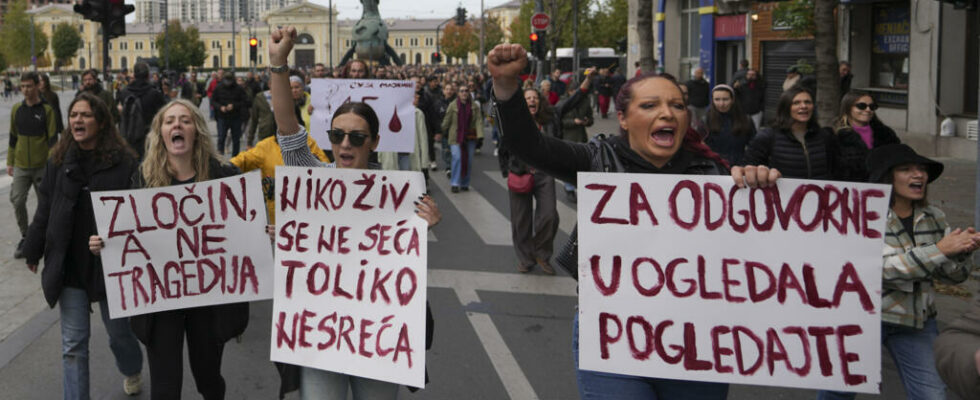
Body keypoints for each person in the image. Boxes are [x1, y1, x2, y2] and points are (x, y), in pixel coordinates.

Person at [487, 42, 779, 400]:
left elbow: (754, 257)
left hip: (695, 341)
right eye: (650, 105)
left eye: (676, 105)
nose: (667, 114)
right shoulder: (598, 160)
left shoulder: (712, 173)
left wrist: (757, 187)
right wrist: (505, 87)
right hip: (614, 335)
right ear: (623, 118)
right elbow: (526, 144)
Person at [267, 26, 441, 399]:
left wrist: (425, 224)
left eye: (357, 137)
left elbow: (404, 265)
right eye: (337, 135)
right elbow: (287, 128)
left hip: (377, 336)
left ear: (375, 142)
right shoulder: (311, 178)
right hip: (319, 334)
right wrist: (279, 64)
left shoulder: (397, 195)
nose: (345, 144)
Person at [90, 99, 249, 399]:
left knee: (208, 378)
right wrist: (104, 244)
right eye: (169, 121)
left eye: (185, 120)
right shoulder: (143, 180)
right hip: (161, 301)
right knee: (165, 385)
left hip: (209, 299)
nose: (177, 125)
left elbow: (242, 230)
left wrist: (259, 232)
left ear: (197, 131)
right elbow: (127, 233)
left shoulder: (225, 177)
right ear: (160, 133)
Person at [817, 144, 979, 400]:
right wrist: (939, 249)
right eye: (906, 169)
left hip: (916, 322)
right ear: (887, 176)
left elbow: (951, 277)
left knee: (932, 394)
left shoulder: (934, 217)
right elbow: (883, 269)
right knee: (838, 392)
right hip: (865, 318)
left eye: (922, 169)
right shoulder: (865, 216)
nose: (918, 175)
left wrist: (960, 251)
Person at [23, 92, 145, 399]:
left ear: (101, 122)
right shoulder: (58, 160)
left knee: (120, 335)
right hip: (70, 263)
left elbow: (137, 216)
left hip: (111, 265)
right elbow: (46, 207)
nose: (78, 120)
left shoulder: (125, 162)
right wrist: (33, 247)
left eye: (86, 115)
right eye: (74, 115)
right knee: (73, 344)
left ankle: (131, 369)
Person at [8, 72, 59, 259]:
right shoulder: (16, 109)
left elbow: (53, 139)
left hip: (41, 166)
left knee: (45, 203)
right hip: (21, 164)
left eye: (29, 86)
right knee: (17, 200)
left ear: (38, 86)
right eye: (22, 86)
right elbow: (13, 137)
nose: (26, 90)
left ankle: (45, 238)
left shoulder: (47, 110)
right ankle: (25, 235)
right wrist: (10, 162)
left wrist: (50, 162)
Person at [742, 86, 836, 179]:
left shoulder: (825, 136)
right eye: (796, 103)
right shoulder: (767, 137)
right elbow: (748, 169)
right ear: (786, 107)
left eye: (807, 102)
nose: (803, 106)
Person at [833, 91, 900, 182]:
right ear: (848, 108)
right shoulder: (836, 136)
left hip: (882, 188)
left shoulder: (886, 134)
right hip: (850, 189)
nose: (868, 110)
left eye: (872, 107)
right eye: (861, 106)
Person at [116, 62, 167, 159]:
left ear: (134, 75)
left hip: (129, 137)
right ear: (148, 75)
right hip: (150, 138)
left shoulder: (124, 92)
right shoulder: (155, 94)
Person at [557, 77, 594, 202]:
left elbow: (590, 118)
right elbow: (558, 122)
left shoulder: (585, 101)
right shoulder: (563, 103)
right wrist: (573, 122)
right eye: (573, 91)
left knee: (582, 165)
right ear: (569, 91)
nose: (576, 94)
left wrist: (587, 121)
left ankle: (580, 187)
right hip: (567, 137)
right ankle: (569, 188)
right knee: (568, 164)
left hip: (581, 137)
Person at [441, 83, 483, 192]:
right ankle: (455, 183)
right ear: (458, 93)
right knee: (457, 158)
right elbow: (446, 120)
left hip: (470, 137)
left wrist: (480, 135)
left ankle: (465, 183)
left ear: (469, 93)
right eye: (462, 91)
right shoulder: (452, 105)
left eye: (466, 91)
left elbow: (479, 121)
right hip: (455, 137)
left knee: (467, 161)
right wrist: (441, 131)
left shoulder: (475, 106)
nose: (464, 93)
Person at [703, 84, 755, 166]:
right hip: (715, 166)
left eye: (725, 99)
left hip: (740, 165)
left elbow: (753, 145)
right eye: (717, 99)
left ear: (732, 100)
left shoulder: (746, 119)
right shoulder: (706, 120)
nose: (721, 104)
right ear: (712, 100)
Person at [211, 71, 250, 156]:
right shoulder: (219, 87)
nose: (228, 83)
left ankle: (235, 159)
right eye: (226, 80)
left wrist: (234, 106)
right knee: (221, 138)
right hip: (222, 116)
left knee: (236, 139)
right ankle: (220, 158)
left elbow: (245, 101)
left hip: (235, 117)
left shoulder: (239, 89)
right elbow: (213, 101)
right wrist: (220, 107)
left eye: (230, 80)